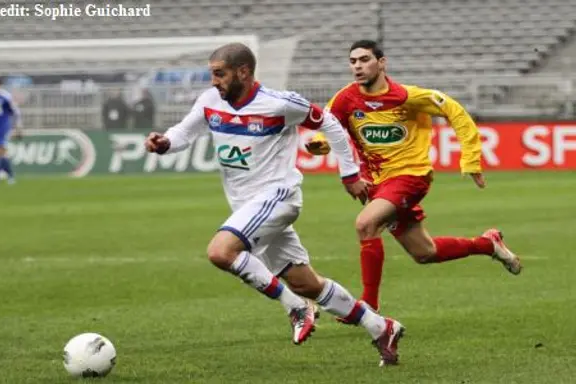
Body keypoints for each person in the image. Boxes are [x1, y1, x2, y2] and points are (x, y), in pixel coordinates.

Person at [145, 43, 405, 366]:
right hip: (246, 208)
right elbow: (186, 131)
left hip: (278, 196)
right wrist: (165, 143)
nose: (214, 82)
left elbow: (329, 123)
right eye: (212, 74)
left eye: (219, 74)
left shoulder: (279, 103)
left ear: (243, 72)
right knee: (305, 282)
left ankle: (296, 307)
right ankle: (381, 327)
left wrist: (349, 173)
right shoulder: (212, 101)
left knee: (220, 251)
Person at [305, 40, 522, 313]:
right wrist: (319, 143)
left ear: (381, 63)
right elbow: (330, 129)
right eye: (353, 61)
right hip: (378, 184)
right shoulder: (345, 98)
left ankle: (368, 306)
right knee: (424, 252)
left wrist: (470, 158)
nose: (357, 66)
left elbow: (453, 110)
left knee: (365, 224)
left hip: (410, 176)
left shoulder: (408, 96)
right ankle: (488, 244)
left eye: (364, 59)